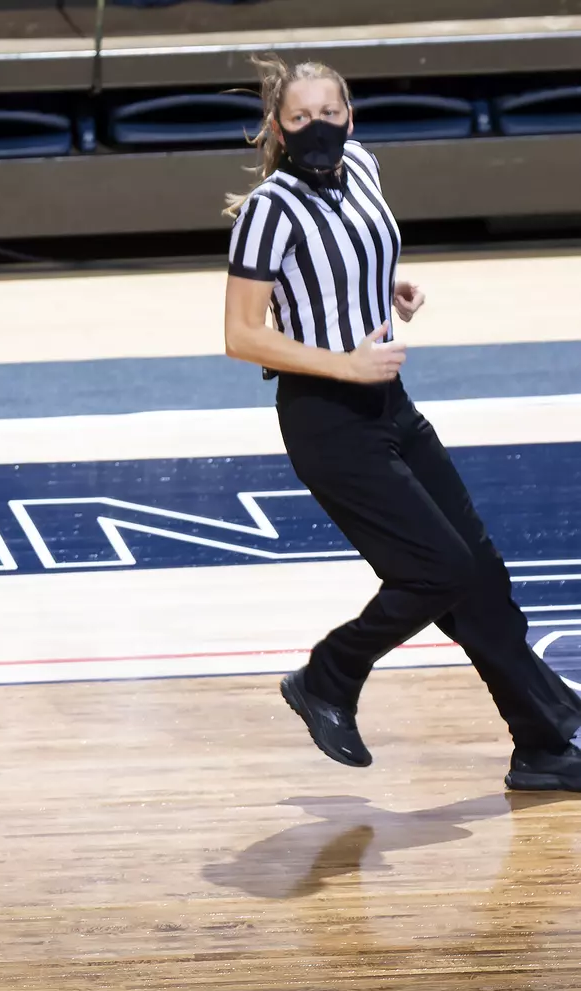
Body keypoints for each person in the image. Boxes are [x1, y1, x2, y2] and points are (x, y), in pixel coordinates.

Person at [222, 55, 581, 790]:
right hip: (327, 419)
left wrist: (383, 282)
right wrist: (346, 365)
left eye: (329, 114)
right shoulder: (270, 210)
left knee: (479, 576)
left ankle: (544, 746)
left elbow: (345, 250)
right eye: (299, 119)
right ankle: (328, 676)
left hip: (391, 406)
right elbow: (241, 335)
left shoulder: (362, 164)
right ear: (277, 129)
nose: (317, 128)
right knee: (436, 570)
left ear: (349, 116)